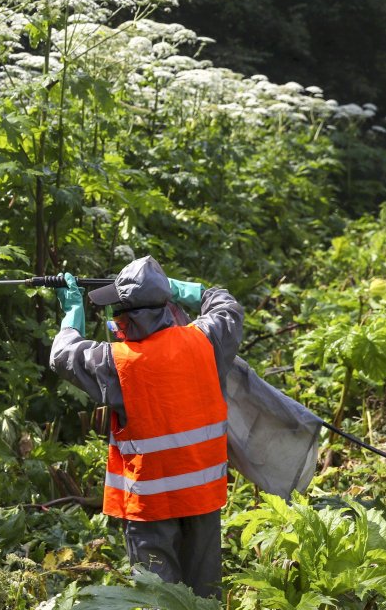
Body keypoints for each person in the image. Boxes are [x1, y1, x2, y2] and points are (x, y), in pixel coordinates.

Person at [48, 255, 243, 599]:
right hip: (203, 499)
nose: (114, 320)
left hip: (150, 508)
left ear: (130, 317)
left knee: (161, 601)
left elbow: (63, 355)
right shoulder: (206, 340)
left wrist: (71, 315)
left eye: (117, 312)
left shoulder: (118, 362)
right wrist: (194, 291)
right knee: (204, 600)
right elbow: (228, 308)